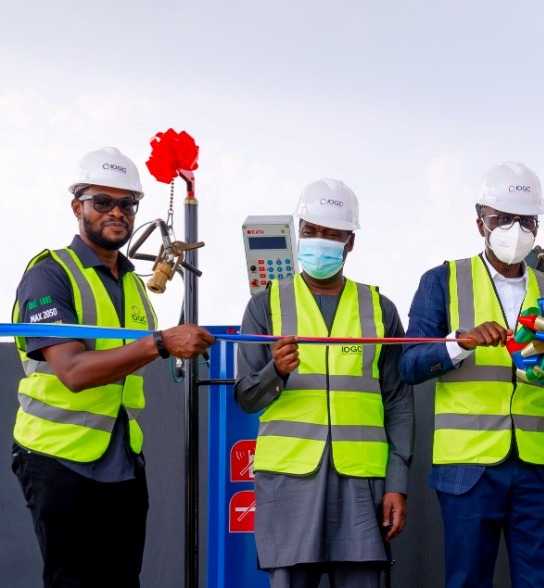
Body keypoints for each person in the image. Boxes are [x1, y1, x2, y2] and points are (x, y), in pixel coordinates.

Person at [10, 146, 216, 587]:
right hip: (58, 457)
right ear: (77, 207)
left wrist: (168, 343)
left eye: (127, 203)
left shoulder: (134, 286)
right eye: (102, 202)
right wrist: (160, 343)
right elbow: (74, 371)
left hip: (121, 459)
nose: (117, 212)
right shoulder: (50, 274)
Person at [400, 162, 544, 588]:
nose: (515, 230)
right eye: (503, 219)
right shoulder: (442, 281)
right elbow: (409, 363)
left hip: (537, 464)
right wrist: (459, 344)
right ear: (480, 222)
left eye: (526, 220)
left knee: (542, 583)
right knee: (468, 581)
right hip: (467, 468)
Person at [234, 178, 413, 588]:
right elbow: (245, 396)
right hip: (290, 480)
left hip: (363, 483)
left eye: (331, 234)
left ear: (350, 242)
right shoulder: (266, 304)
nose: (318, 241)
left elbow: (399, 402)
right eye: (310, 230)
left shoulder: (379, 309)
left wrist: (397, 485)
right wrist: (275, 372)